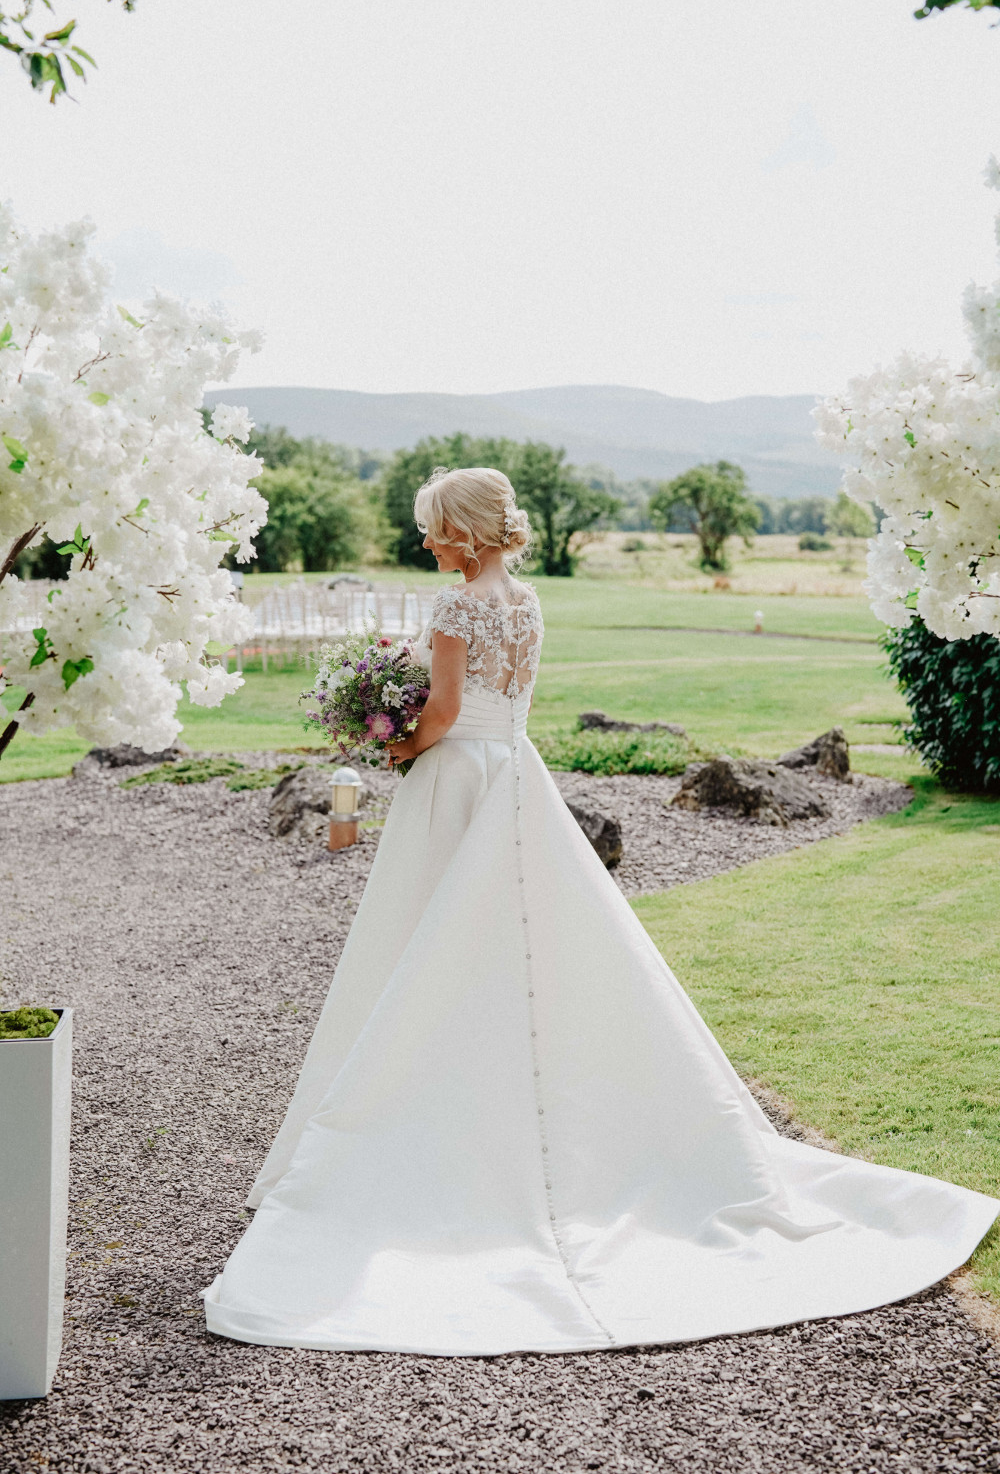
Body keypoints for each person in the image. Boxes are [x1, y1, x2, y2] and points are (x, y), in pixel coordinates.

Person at [202, 465, 999, 1356]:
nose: (425, 541)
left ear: (466, 533)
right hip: (514, 774)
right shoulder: (529, 601)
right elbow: (506, 704)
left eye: (434, 528)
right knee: (531, 945)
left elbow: (447, 710)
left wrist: (395, 743)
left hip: (456, 780)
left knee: (429, 942)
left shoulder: (456, 605)